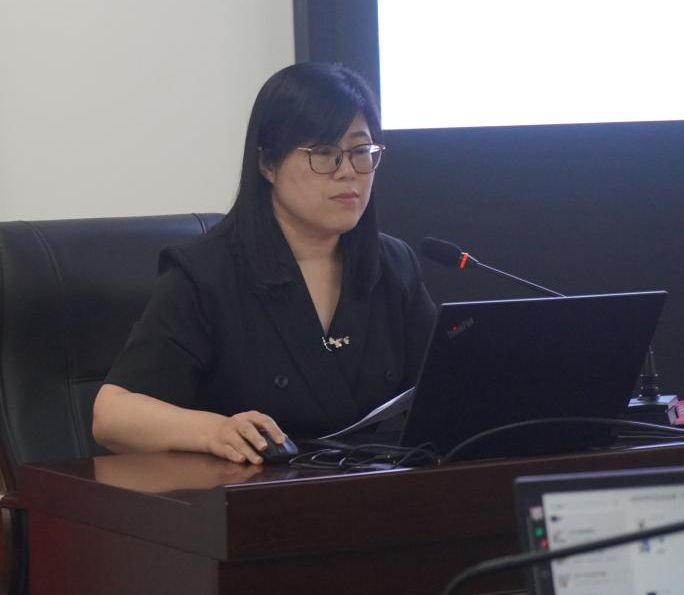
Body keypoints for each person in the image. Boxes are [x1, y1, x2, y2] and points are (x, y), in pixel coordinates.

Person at [92, 62, 436, 465]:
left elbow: (444, 388)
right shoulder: (205, 274)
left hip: (372, 489)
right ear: (267, 164)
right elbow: (112, 415)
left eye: (361, 152)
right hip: (251, 493)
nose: (348, 172)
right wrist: (214, 431)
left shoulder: (393, 265)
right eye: (324, 153)